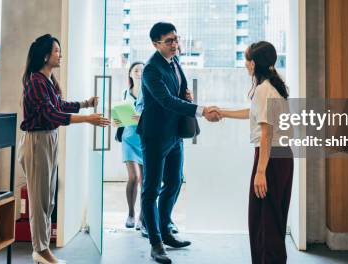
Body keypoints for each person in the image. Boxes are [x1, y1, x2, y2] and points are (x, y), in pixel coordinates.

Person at [18, 34, 110, 264]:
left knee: (48, 199)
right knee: (39, 201)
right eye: (57, 50)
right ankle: (40, 250)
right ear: (46, 55)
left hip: (48, 139)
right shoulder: (36, 82)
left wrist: (85, 104)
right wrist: (87, 118)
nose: (61, 54)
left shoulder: (47, 81)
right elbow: (51, 114)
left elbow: (58, 105)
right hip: (38, 140)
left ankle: (42, 248)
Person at [137, 22, 221, 264]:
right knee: (151, 189)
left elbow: (178, 92)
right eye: (169, 41)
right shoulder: (151, 69)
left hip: (174, 134)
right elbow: (166, 101)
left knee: (174, 181)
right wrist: (201, 110)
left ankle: (166, 230)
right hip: (154, 136)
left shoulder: (174, 61)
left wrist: (187, 95)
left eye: (176, 39)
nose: (175, 44)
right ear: (155, 44)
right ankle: (155, 243)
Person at [217, 41, 294, 264]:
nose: (245, 64)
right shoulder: (274, 86)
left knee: (264, 222)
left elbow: (266, 134)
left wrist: (261, 172)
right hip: (282, 157)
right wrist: (223, 112)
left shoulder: (263, 90)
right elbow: (254, 114)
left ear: (253, 63)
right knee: (274, 219)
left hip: (269, 158)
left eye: (246, 59)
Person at [112, 61, 145, 229]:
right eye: (136, 70)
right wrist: (116, 120)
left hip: (145, 140)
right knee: (133, 177)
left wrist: (142, 119)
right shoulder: (125, 92)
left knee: (145, 181)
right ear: (130, 74)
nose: (139, 72)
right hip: (128, 139)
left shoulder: (149, 92)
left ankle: (142, 217)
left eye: (142, 70)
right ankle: (131, 213)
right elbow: (118, 119)